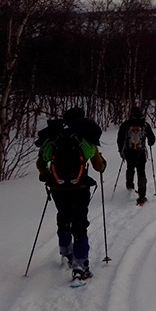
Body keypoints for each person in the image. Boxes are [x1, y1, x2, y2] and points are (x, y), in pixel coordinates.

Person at [35, 107, 107, 281]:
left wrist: (48, 177)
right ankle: (80, 266)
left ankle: (66, 251)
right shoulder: (86, 139)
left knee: (63, 216)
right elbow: (99, 167)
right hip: (80, 187)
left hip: (58, 188)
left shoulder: (54, 138)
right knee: (80, 223)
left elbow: (40, 163)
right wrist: (101, 160)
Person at [116, 106, 155, 205]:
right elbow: (152, 140)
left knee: (130, 167)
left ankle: (129, 186)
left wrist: (121, 150)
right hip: (141, 152)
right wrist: (149, 142)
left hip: (129, 152)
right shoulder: (145, 125)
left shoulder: (126, 125)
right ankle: (142, 196)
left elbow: (120, 138)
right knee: (141, 171)